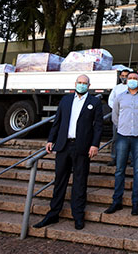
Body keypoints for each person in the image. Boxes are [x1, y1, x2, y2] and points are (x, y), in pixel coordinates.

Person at [33, 75, 103, 230]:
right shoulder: (65, 100)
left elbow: (98, 126)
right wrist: (50, 140)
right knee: (60, 181)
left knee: (80, 182)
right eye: (80, 82)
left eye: (85, 83)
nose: (82, 85)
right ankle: (53, 214)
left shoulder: (95, 102)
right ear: (75, 83)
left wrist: (95, 145)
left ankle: (78, 215)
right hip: (64, 146)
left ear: (89, 85)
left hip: (82, 147)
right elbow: (57, 121)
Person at [104, 72, 138, 216]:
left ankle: (136, 203)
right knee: (119, 170)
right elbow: (115, 117)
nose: (132, 80)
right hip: (122, 136)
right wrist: (123, 129)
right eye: (130, 78)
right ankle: (116, 201)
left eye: (135, 79)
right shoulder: (120, 97)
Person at [107, 68, 130, 166]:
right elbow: (110, 100)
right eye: (123, 76)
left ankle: (130, 159)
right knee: (116, 138)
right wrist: (117, 109)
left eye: (126, 76)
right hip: (118, 116)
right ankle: (114, 158)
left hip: (129, 116)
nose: (124, 78)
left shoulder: (134, 88)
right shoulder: (116, 88)